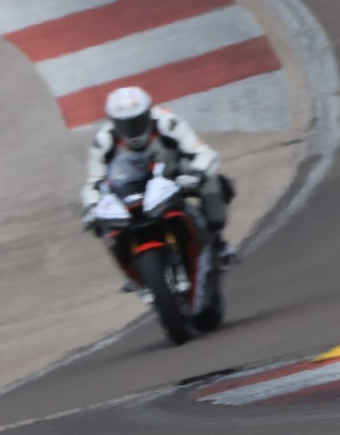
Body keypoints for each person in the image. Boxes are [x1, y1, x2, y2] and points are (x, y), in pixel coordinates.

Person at [82, 85, 236, 287]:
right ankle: (132, 272)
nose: (131, 127)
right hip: (130, 188)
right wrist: (92, 205)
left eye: (136, 120)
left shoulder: (167, 122)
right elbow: (93, 181)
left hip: (175, 177)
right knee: (102, 224)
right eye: (124, 123)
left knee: (213, 185)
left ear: (148, 113)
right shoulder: (103, 141)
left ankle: (217, 241)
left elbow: (203, 152)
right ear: (113, 120)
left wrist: (197, 172)